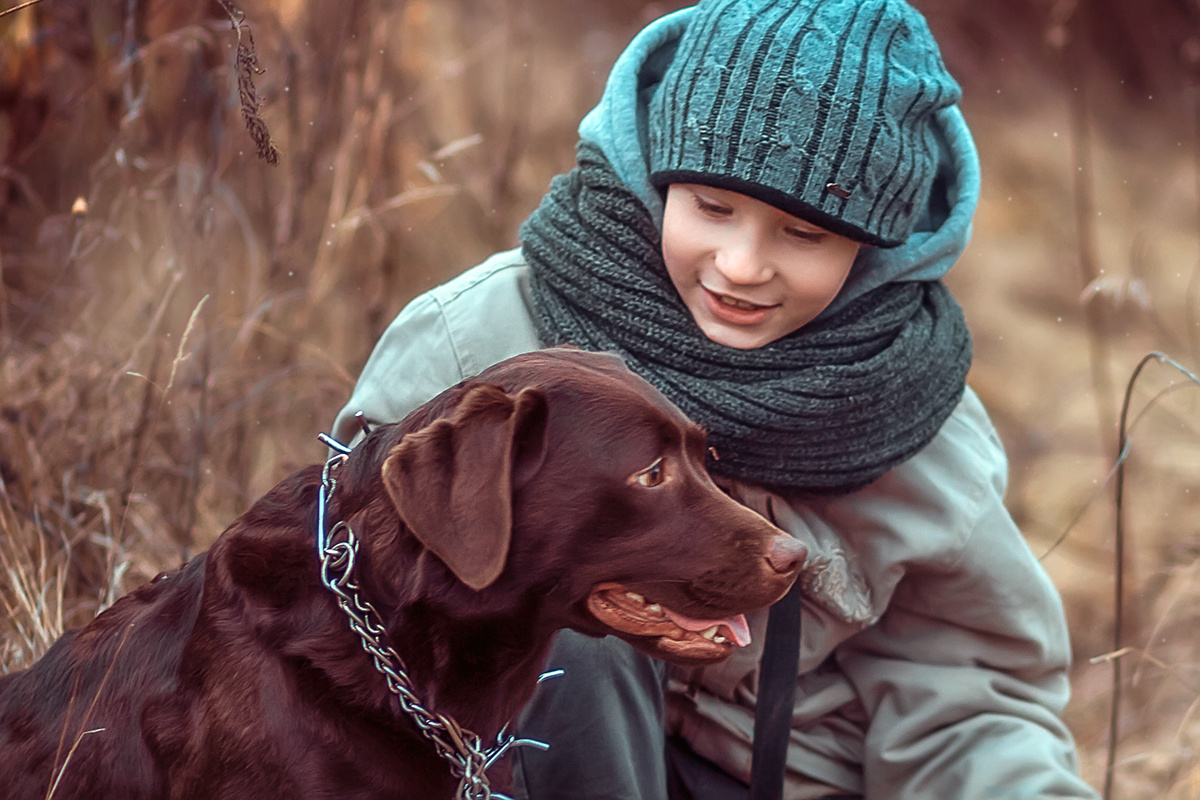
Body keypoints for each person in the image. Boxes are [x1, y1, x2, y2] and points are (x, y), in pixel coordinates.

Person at [331, 1, 1100, 798]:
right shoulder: (484, 338)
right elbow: (354, 582)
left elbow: (969, 702)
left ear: (872, 249)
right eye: (712, 207)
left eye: (803, 235)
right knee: (566, 622)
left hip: (779, 778)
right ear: (654, 172)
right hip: (499, 762)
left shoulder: (914, 419)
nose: (740, 265)